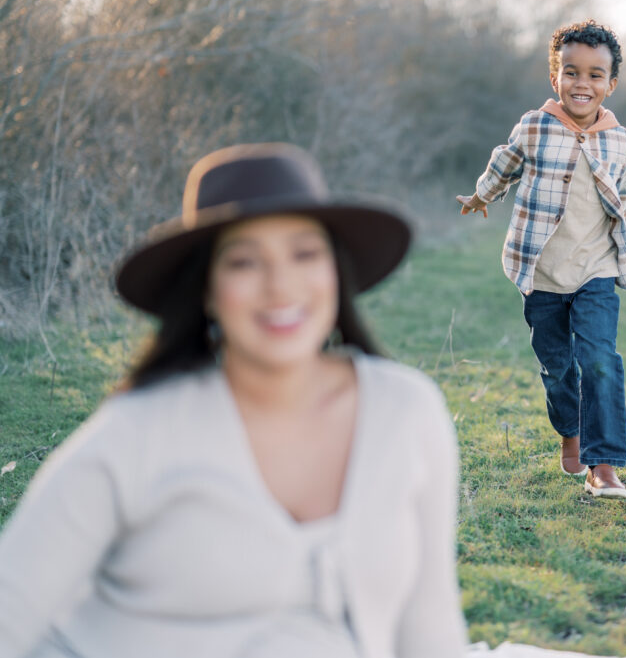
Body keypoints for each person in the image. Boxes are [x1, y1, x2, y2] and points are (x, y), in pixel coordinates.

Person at [0, 143, 467, 657]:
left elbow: (430, 628)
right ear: (206, 289)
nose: (280, 285)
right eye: (245, 262)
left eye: (305, 254)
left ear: (336, 270)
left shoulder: (407, 411)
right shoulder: (138, 432)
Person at [456, 20, 626, 499]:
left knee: (600, 359)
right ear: (554, 76)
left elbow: (621, 199)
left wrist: (616, 252)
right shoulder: (535, 126)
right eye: (572, 72)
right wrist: (480, 196)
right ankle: (571, 432)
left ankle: (604, 465)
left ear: (610, 84)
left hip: (595, 270)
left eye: (596, 75)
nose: (583, 84)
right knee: (558, 367)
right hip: (540, 273)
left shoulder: (621, 141)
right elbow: (505, 162)